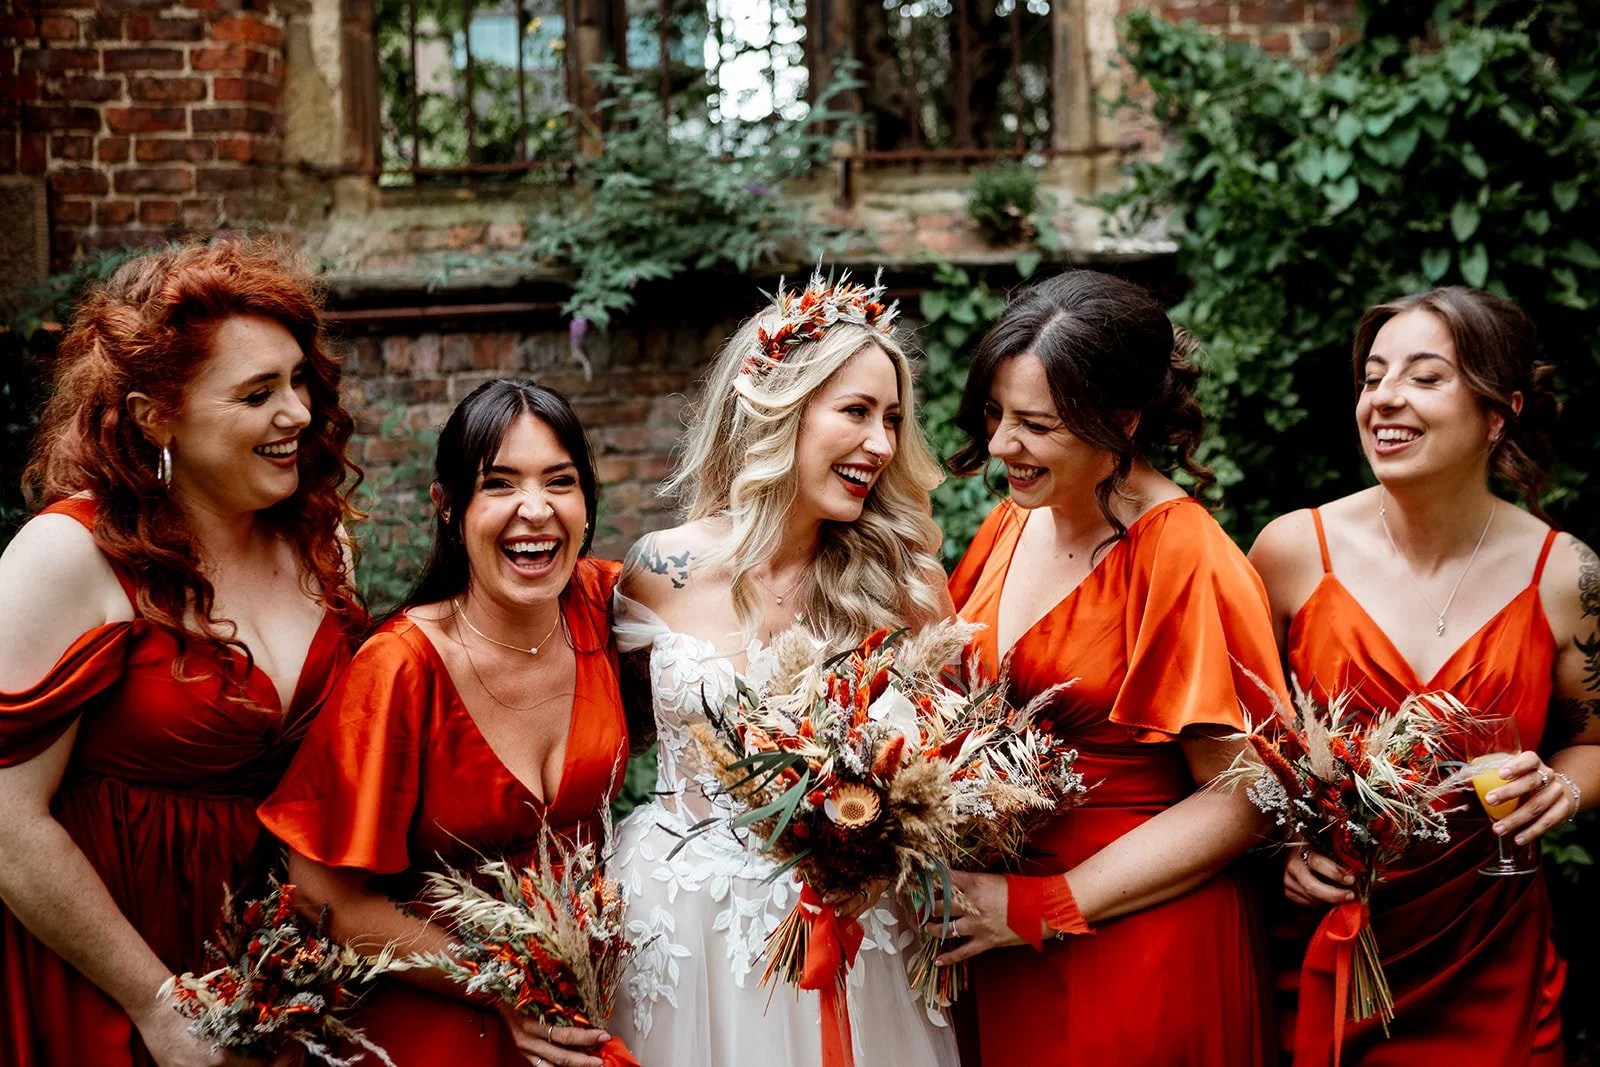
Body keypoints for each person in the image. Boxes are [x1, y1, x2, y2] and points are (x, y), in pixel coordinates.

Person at [0, 239, 365, 1067]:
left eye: (299, 380)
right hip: (111, 981)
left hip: (282, 979)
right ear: (155, 413)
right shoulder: (68, 557)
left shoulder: (319, 542)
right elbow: (7, 819)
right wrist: (157, 1001)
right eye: (258, 393)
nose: (299, 414)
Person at [607, 270, 960, 1066]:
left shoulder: (906, 587)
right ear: (780, 410)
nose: (882, 443)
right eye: (857, 412)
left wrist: (879, 861)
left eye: (894, 419)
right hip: (680, 924)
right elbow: (611, 733)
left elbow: (945, 776)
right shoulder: (660, 568)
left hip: (852, 931)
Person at [938, 269, 1281, 1066]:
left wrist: (1047, 902)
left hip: (1136, 944)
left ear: (1120, 422)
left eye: (1035, 424)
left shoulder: (1183, 553)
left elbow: (1245, 795)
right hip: (998, 940)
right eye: (994, 413)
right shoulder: (1009, 524)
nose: (998, 447)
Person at [1249, 286, 1596, 1066]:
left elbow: (1596, 743)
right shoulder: (1290, 553)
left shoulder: (1566, 575)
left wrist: (1565, 788)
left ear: (1498, 413)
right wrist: (1284, 847)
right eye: (1373, 376)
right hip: (1332, 945)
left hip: (1488, 952)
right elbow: (1232, 750)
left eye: (1425, 376)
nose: (1385, 398)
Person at [259, 379, 630, 1067]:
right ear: (447, 506)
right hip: (433, 1022)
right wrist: (502, 983)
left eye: (560, 481)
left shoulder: (604, 610)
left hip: (580, 1014)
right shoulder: (399, 667)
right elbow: (320, 893)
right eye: (499, 484)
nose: (535, 509)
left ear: (586, 503)